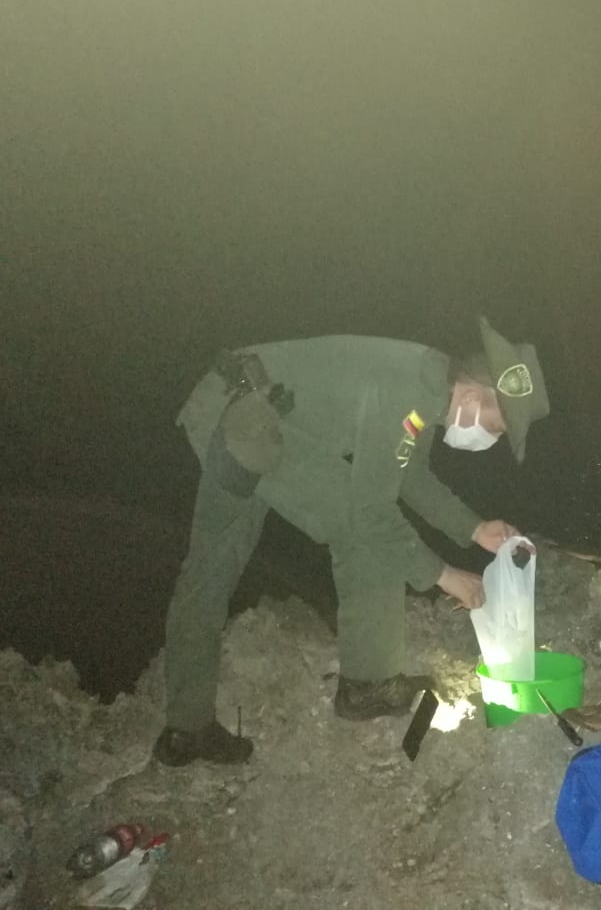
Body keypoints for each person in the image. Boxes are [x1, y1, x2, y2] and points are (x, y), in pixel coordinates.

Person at [153, 316, 549, 766]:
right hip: (241, 416)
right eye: (497, 429)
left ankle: (192, 730)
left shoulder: (430, 390)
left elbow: (409, 472)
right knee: (358, 528)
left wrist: (473, 528)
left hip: (258, 415)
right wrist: (443, 575)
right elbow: (371, 511)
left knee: (349, 526)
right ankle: (360, 688)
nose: (491, 441)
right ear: (475, 396)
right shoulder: (404, 390)